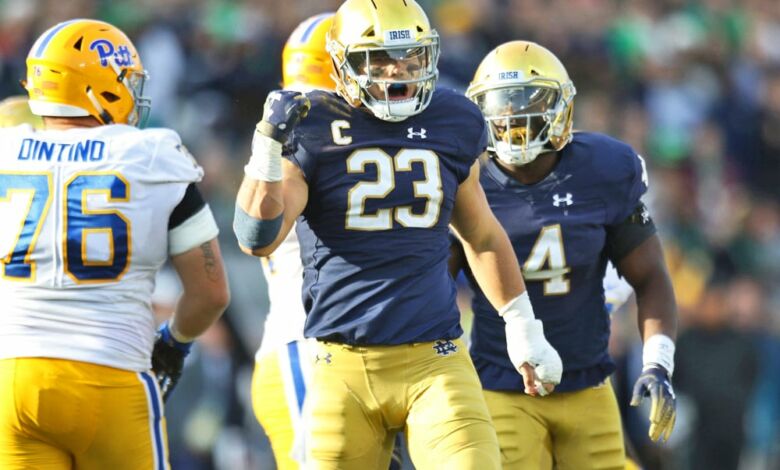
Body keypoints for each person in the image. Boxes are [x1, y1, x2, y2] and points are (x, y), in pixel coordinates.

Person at [233, 0, 563, 468]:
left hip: (436, 360)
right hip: (340, 366)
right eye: (380, 58)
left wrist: (522, 325)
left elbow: (482, 235)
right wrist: (266, 153)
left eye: (411, 56)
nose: (398, 70)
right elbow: (256, 237)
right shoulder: (312, 126)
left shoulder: (451, 117)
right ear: (342, 63)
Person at [0, 19, 230, 469]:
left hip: (12, 379)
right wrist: (174, 343)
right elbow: (211, 293)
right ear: (98, 86)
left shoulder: (6, 150)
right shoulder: (151, 155)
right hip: (107, 372)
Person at [451, 40, 679, 469]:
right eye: (501, 105)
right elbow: (434, 287)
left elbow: (650, 276)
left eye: (528, 103)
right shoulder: (465, 179)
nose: (513, 118)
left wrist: (657, 364)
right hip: (502, 386)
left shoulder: (603, 169)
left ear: (561, 107)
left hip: (588, 384)